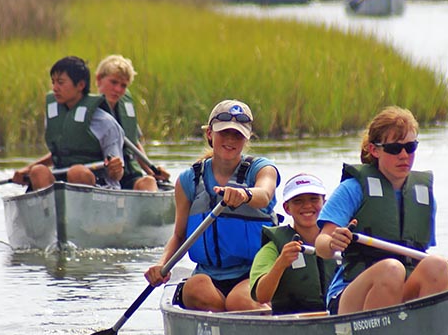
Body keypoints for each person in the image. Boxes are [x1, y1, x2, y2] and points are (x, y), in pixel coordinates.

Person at [314, 107, 448, 315]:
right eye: (395, 149)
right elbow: (321, 245)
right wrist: (333, 242)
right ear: (374, 150)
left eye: (410, 147)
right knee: (391, 269)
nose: (404, 155)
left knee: (438, 265)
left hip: (400, 289)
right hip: (350, 296)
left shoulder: (422, 195)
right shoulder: (353, 188)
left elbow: (417, 255)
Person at [145, 99, 280, 312]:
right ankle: (223, 324)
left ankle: (248, 317)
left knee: (239, 302)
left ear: (247, 138)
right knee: (195, 288)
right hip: (208, 275)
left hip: (254, 272)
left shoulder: (262, 169)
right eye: (223, 133)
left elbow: (264, 194)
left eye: (237, 135)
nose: (230, 139)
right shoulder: (188, 180)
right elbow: (180, 236)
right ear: (209, 134)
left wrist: (244, 194)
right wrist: (162, 265)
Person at [11, 56, 125, 190]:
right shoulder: (55, 117)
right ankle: (49, 209)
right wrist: (27, 170)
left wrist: (115, 168)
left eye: (60, 82)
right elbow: (60, 154)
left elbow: (117, 175)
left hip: (97, 184)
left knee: (77, 172)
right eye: (53, 82)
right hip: (61, 180)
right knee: (38, 171)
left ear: (80, 85)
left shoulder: (105, 123)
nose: (55, 88)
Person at [249, 173, 338, 314]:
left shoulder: (339, 238)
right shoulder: (273, 246)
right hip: (293, 320)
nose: (307, 206)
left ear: (324, 203)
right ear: (287, 208)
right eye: (298, 201)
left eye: (314, 199)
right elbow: (262, 296)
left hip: (337, 314)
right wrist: (281, 263)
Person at [93, 55, 170, 191]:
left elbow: (134, 144)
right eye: (113, 82)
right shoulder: (89, 112)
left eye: (123, 85)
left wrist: (152, 171)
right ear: (99, 79)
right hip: (102, 176)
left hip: (128, 174)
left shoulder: (124, 111)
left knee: (148, 182)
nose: (118, 89)